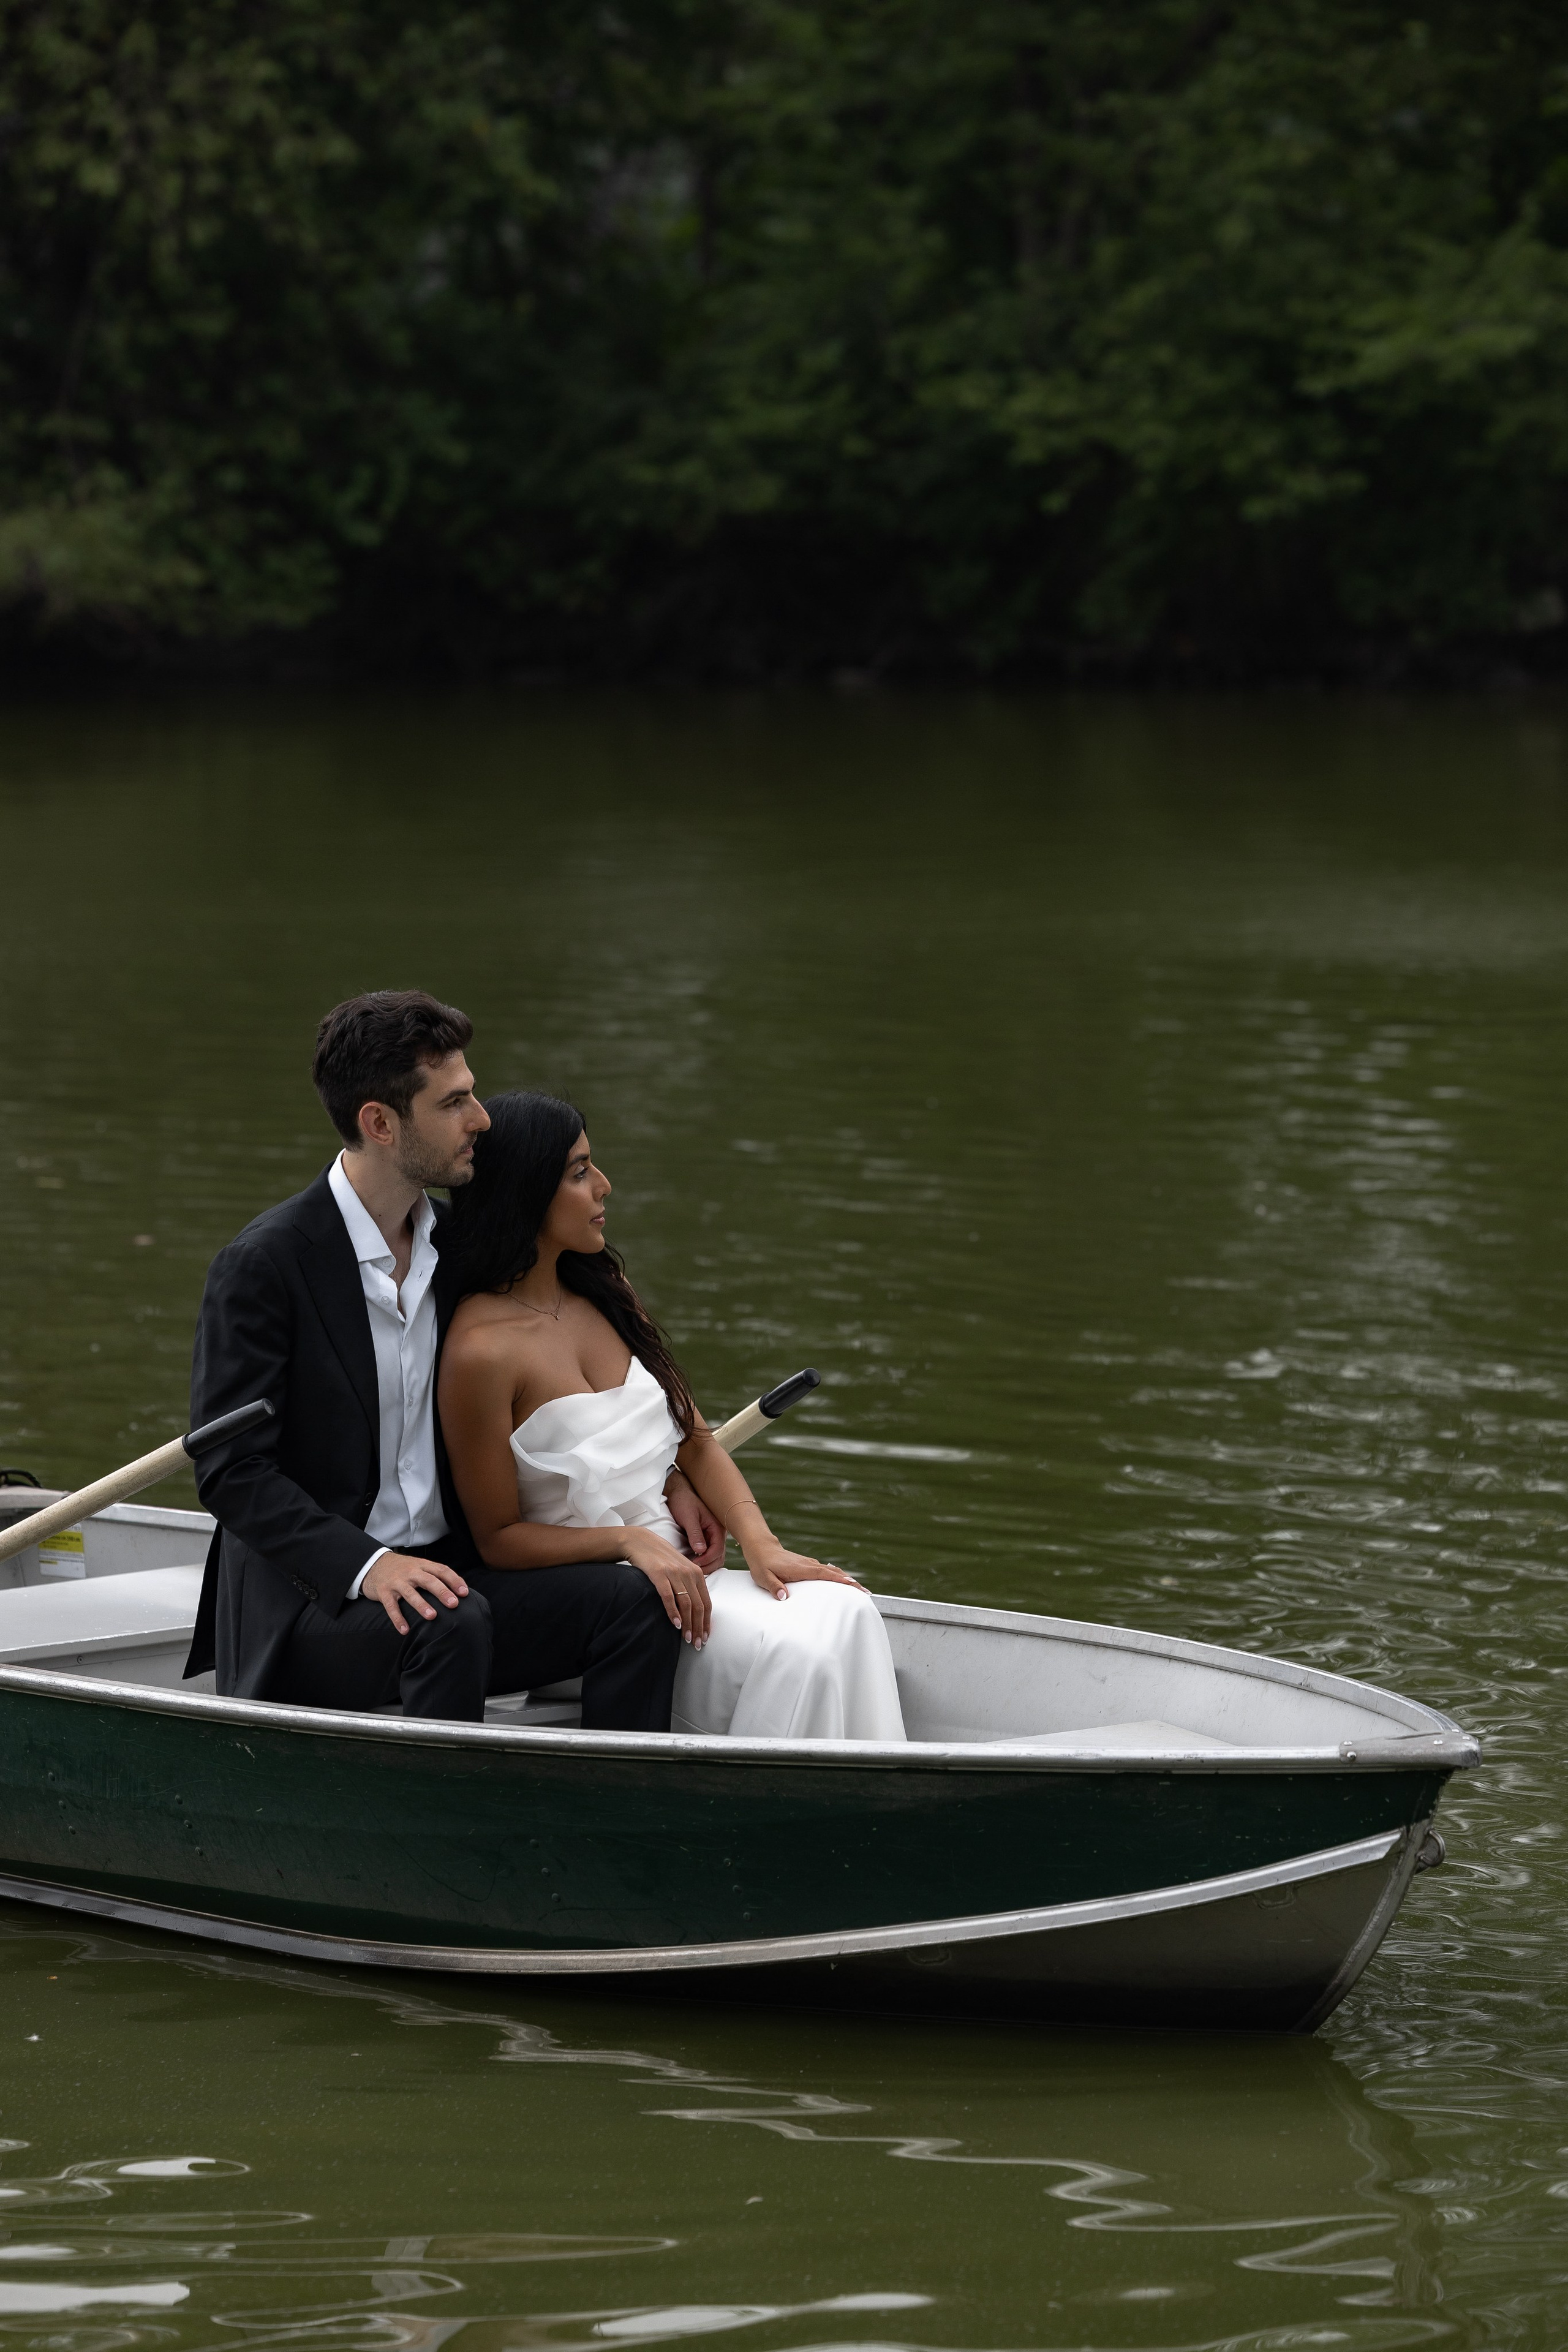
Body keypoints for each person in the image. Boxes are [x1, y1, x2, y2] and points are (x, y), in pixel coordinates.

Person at [184, 992, 686, 1728]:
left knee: (638, 1599)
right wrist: (368, 1564)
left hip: (459, 1577)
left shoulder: (460, 1252)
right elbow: (232, 1472)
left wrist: (670, 1479)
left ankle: (616, 1816)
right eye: (454, 1102)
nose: (481, 1118)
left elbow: (563, 1384)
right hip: (315, 1609)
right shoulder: (265, 1265)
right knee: (448, 1622)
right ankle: (447, 1835)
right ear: (380, 1124)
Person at [437, 1093, 907, 1742]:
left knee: (844, 1608)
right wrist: (634, 1544)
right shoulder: (478, 1351)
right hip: (601, 1607)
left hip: (687, 1569)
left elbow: (694, 1439)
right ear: (525, 1192)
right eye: (578, 1172)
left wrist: (761, 1544)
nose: (604, 1185)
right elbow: (498, 1539)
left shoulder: (607, 1294)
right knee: (797, 1652)